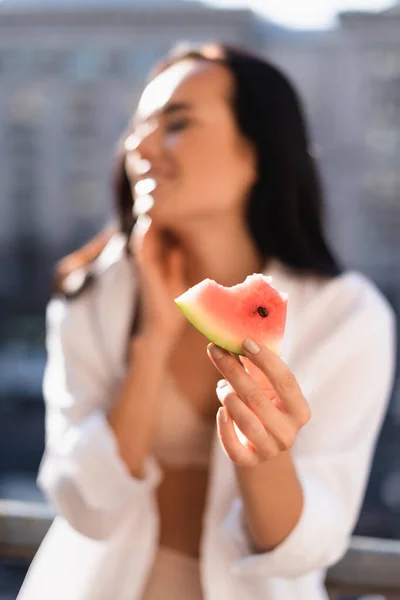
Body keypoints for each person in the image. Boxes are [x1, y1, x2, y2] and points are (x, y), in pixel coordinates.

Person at [18, 43, 396, 600]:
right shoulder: (94, 290)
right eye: (137, 127)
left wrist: (266, 457)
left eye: (176, 123)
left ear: (258, 152)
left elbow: (309, 544)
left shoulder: (348, 317)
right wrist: (152, 342)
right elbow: (83, 504)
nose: (137, 146)